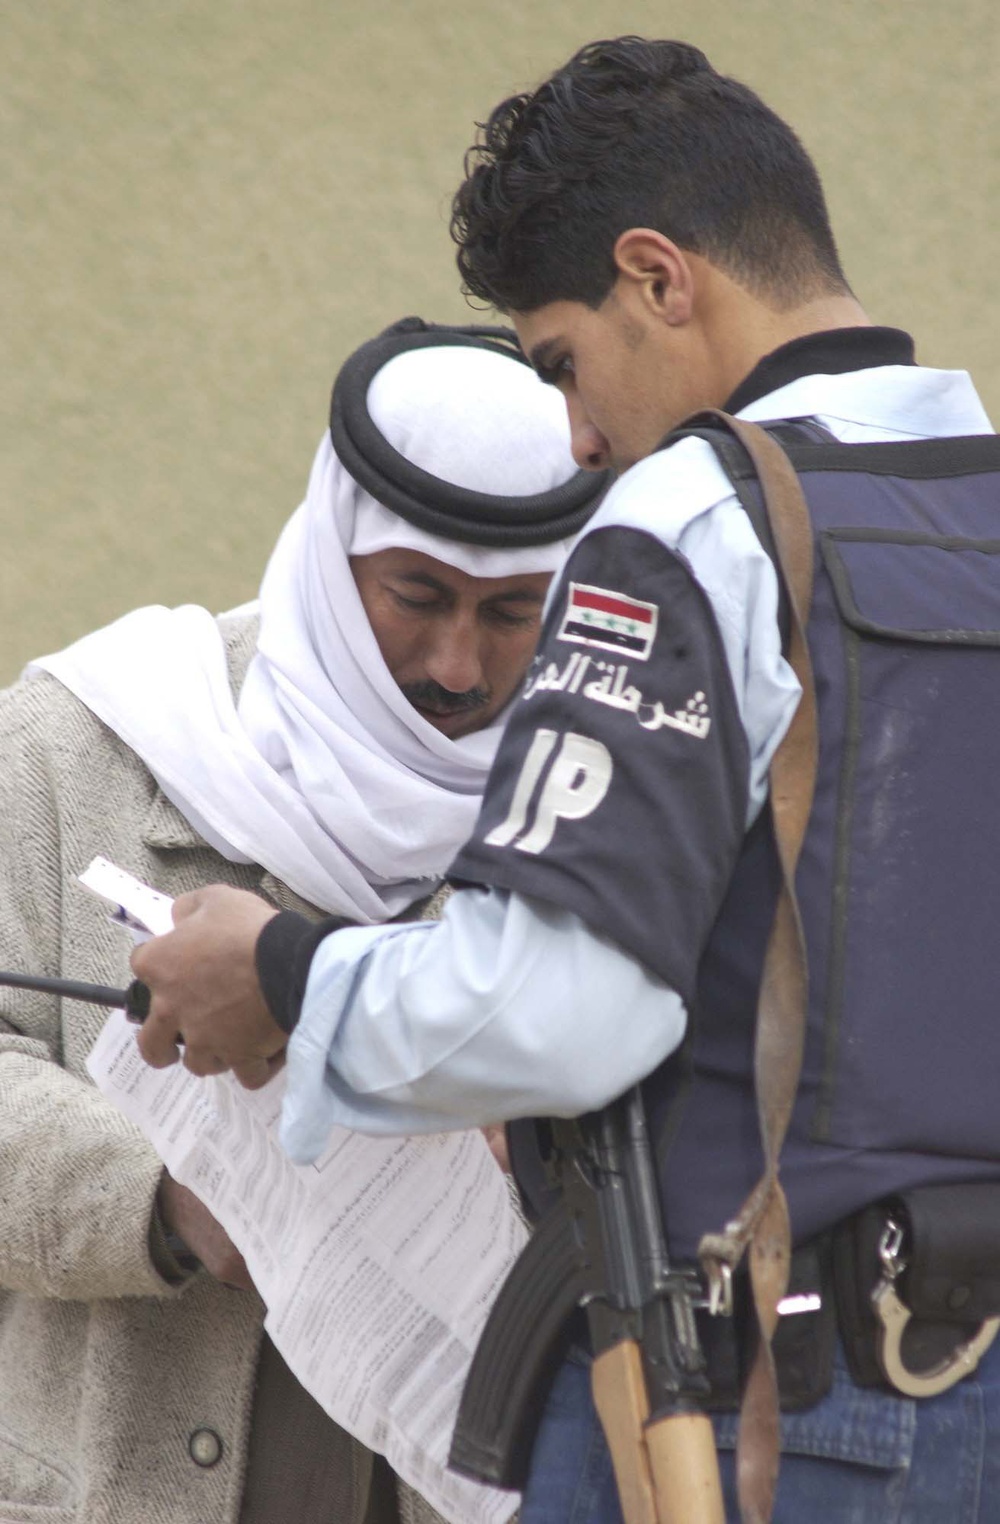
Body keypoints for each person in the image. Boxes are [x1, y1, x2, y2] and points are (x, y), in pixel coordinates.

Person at [129, 39, 1000, 1524]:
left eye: (562, 367)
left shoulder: (692, 520)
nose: (581, 442)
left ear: (660, 277)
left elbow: (564, 1010)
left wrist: (281, 971)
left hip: (754, 1420)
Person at [0, 315, 607, 1524]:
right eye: (416, 596)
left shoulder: (605, 807)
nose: (455, 665)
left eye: (511, 613)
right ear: (333, 562)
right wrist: (172, 1206)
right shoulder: (85, 742)